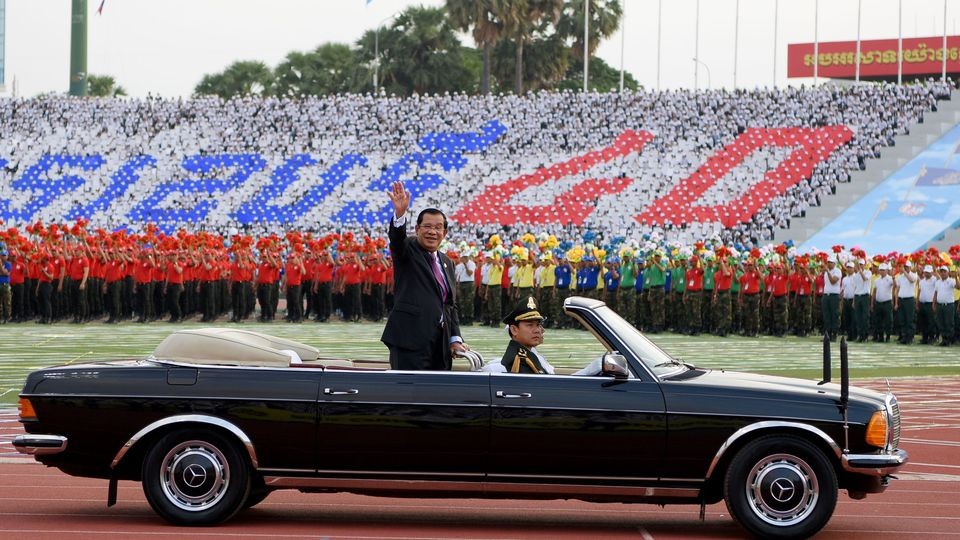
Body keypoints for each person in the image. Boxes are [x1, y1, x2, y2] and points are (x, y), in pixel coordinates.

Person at [381, 180, 469, 370]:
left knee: (436, 396)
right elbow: (397, 240)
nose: (432, 231)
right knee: (407, 394)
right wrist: (400, 214)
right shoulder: (408, 250)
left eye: (438, 227)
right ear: (417, 229)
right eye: (427, 226)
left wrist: (455, 338)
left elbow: (449, 306)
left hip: (441, 344)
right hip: (409, 341)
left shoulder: (447, 263)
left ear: (444, 233)